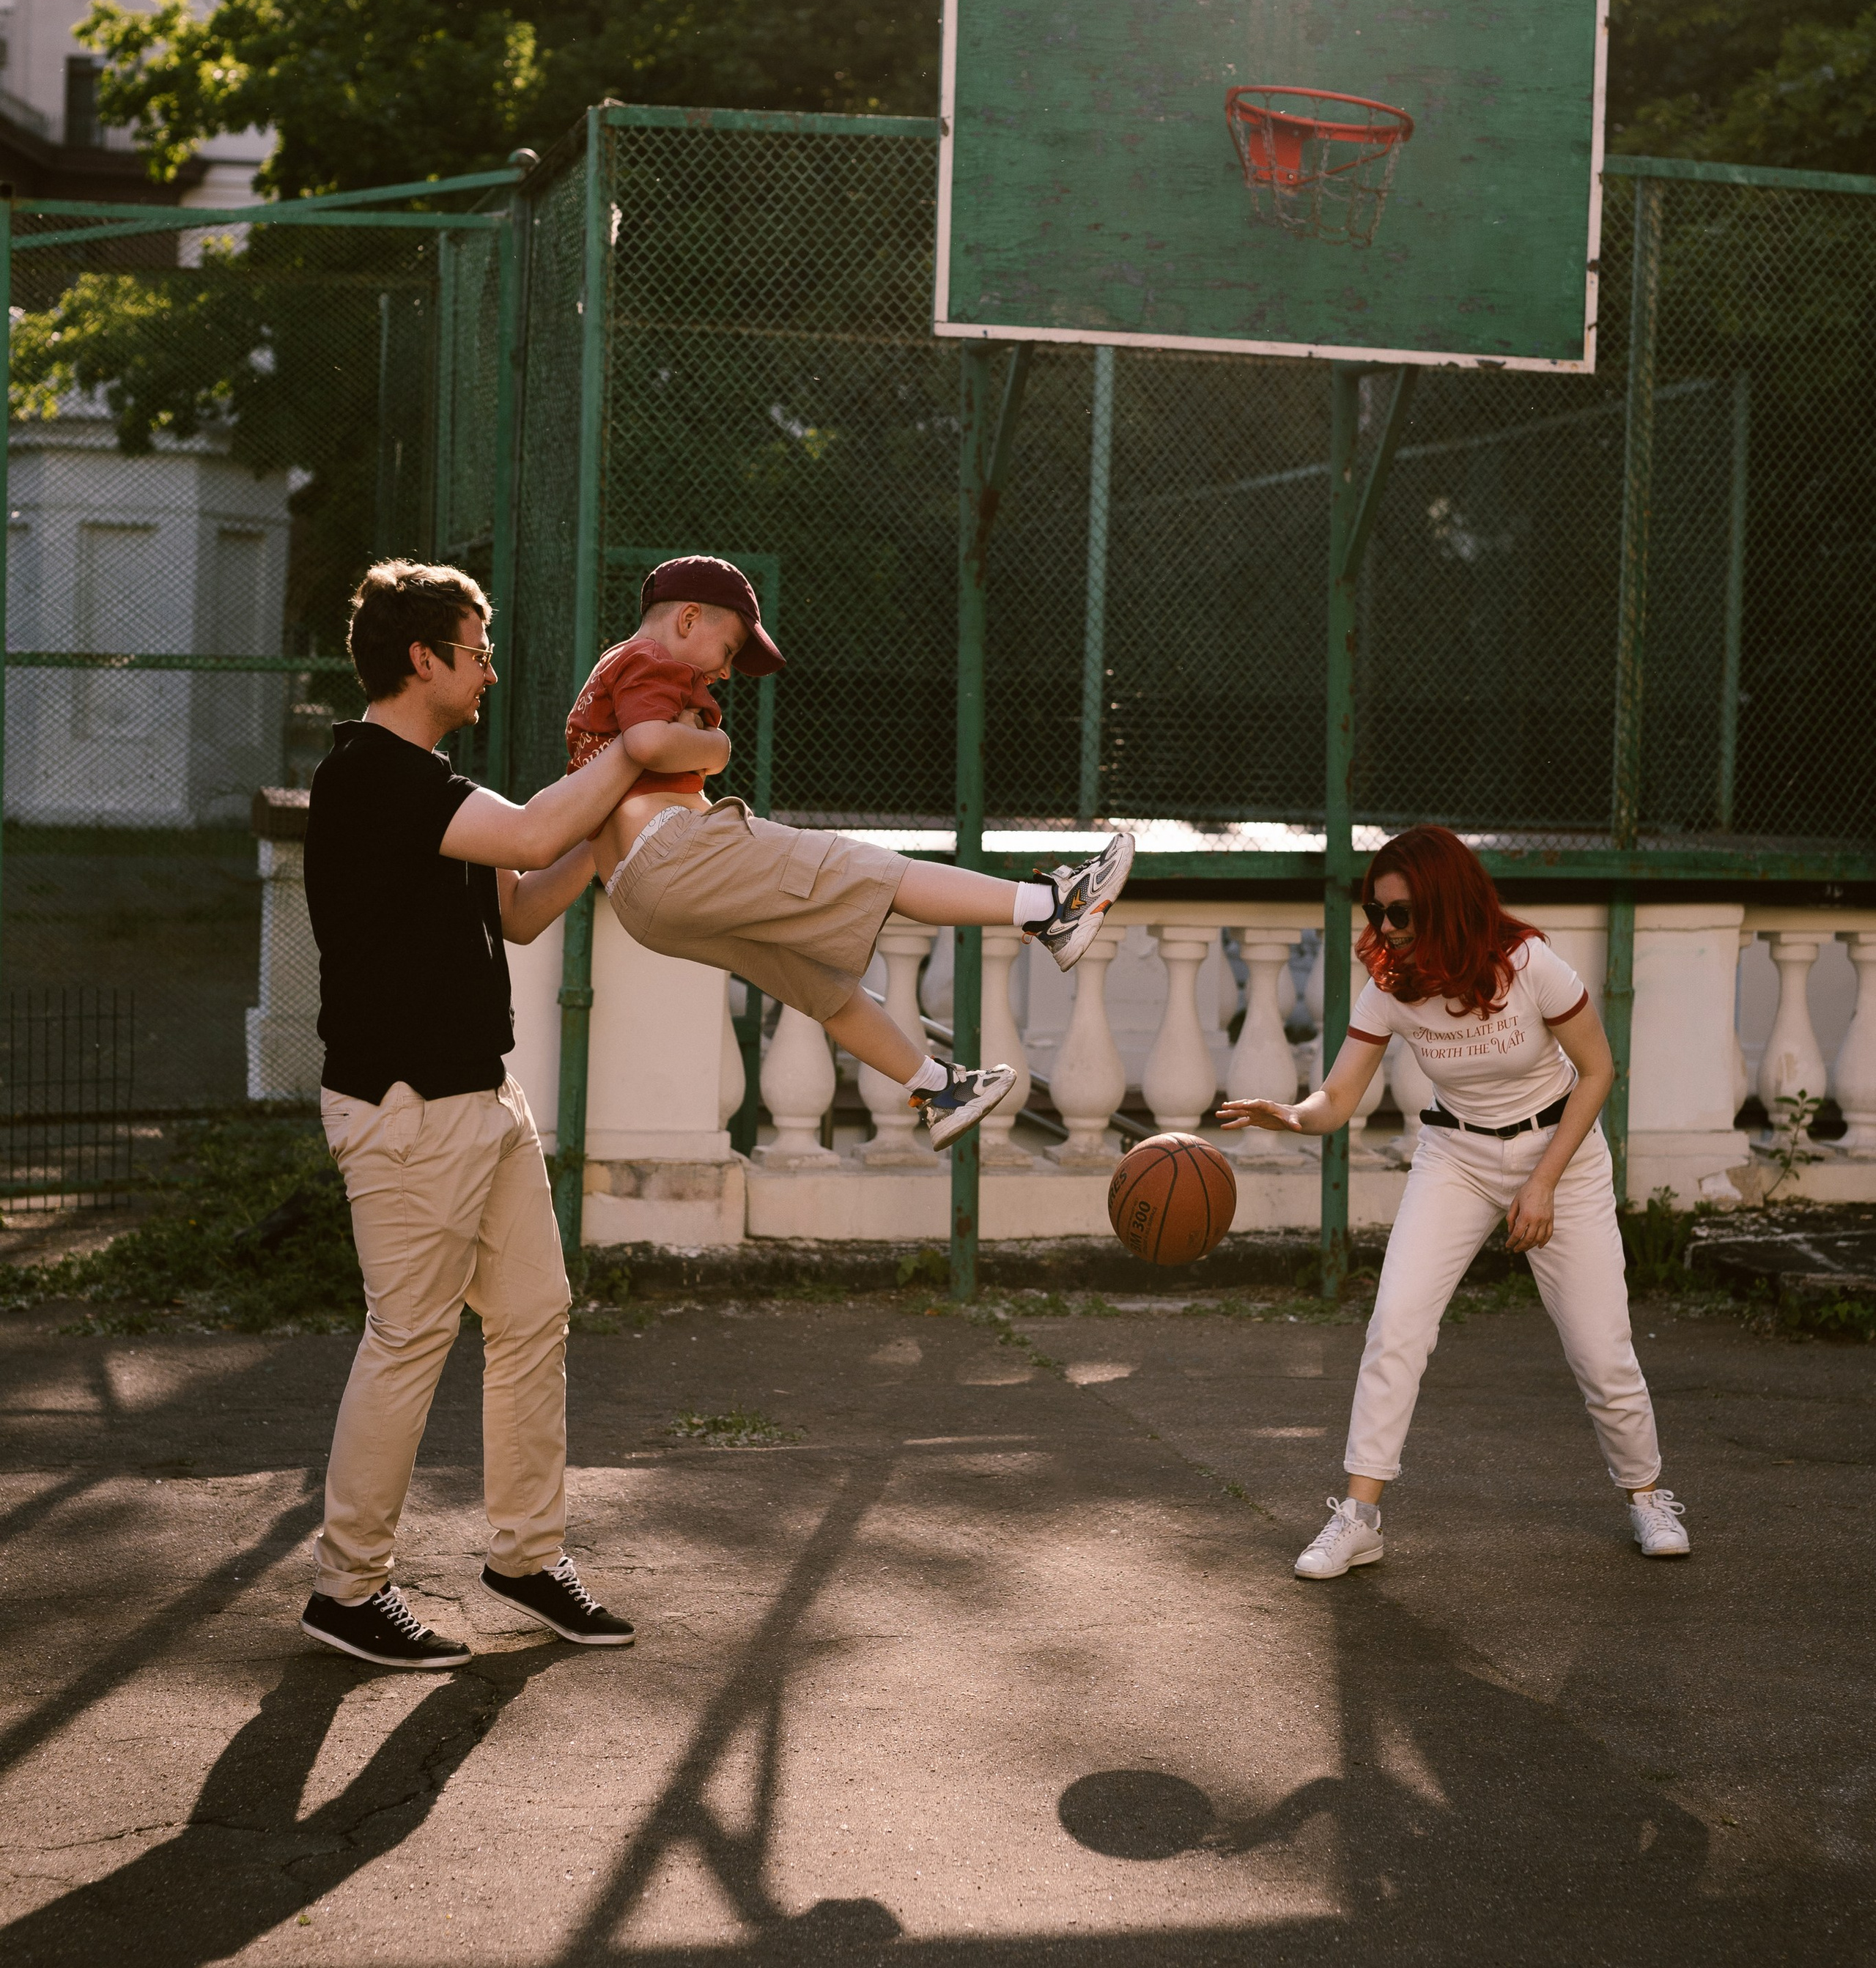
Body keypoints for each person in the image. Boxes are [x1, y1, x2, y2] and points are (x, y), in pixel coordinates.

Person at [300, 559, 642, 1671]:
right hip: (405, 1113)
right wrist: (630, 753)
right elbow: (535, 834)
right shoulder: (371, 777)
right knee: (408, 1340)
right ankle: (347, 1590)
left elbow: (530, 904)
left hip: (481, 1098)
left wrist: (613, 827)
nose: (492, 670)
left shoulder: (439, 788)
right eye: (478, 649)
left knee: (533, 1314)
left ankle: (526, 1561)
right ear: (422, 658)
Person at [1219, 824, 1691, 1574]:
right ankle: (1359, 1516)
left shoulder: (1529, 965)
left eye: (1400, 912)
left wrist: (1541, 1182)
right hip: (1454, 1156)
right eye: (1377, 912)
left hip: (1557, 1154)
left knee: (1600, 1350)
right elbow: (1336, 1098)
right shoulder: (1392, 984)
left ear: (1444, 903)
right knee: (1395, 1325)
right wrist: (1291, 1115)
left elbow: (1597, 1072)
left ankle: (1646, 1496)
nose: (1385, 928)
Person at [567, 555, 1134, 1150]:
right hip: (674, 852)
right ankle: (1050, 905)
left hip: (640, 901)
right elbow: (650, 742)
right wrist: (718, 743)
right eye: (730, 651)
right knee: (865, 869)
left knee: (818, 984)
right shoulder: (647, 659)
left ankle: (940, 1088)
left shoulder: (603, 686)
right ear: (687, 619)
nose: (728, 673)